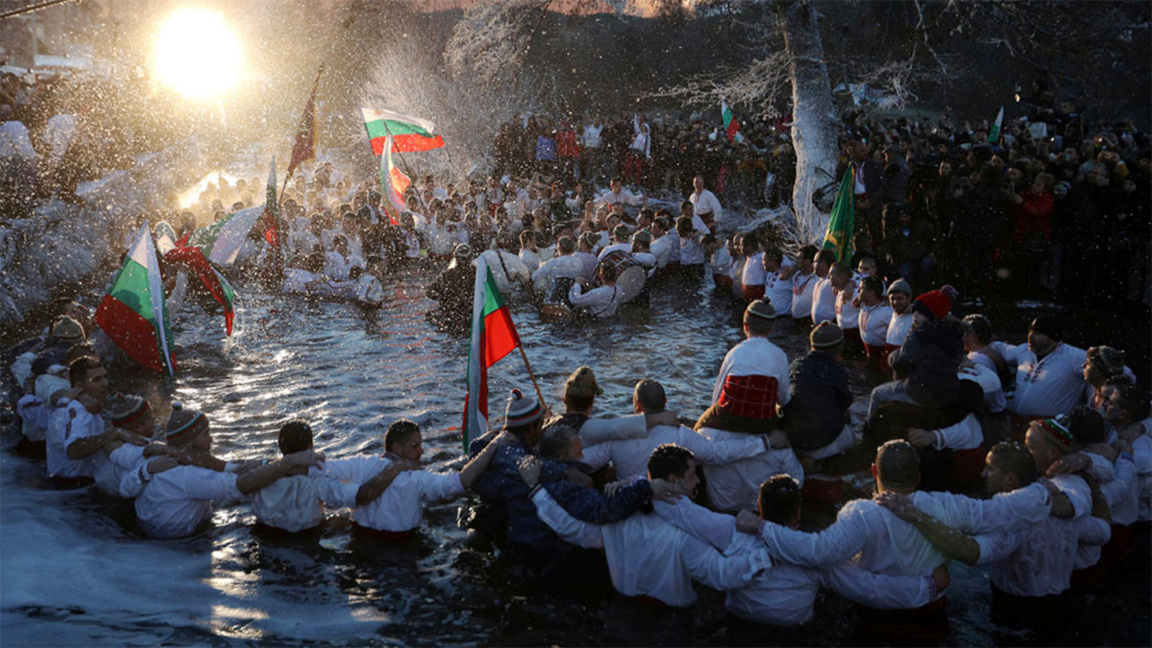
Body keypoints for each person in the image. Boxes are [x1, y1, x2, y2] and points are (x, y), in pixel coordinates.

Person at [736, 440, 1060, 643]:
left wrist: (763, 528)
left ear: (874, 471)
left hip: (873, 624)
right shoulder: (947, 505)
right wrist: (1046, 490)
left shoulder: (861, 513)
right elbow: (999, 511)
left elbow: (818, 552)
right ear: (918, 478)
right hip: (931, 623)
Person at [877, 442, 1111, 626]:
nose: (982, 474)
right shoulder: (1065, 513)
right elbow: (1103, 532)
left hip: (1016, 613)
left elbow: (972, 553)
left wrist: (915, 515)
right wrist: (1092, 485)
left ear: (1010, 480)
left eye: (990, 469)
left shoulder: (1016, 525)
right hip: (1061, 605)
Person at [521, 444, 770, 607]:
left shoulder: (617, 518)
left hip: (624, 608)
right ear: (672, 480)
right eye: (693, 474)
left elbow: (572, 530)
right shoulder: (683, 539)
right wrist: (764, 554)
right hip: (671, 620)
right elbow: (721, 575)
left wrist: (536, 489)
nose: (697, 481)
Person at [726, 475, 948, 629]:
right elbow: (870, 589)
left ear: (758, 505)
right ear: (798, 512)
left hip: (739, 624)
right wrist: (928, 587)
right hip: (793, 632)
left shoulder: (732, 538)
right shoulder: (817, 557)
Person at [316, 419, 515, 537]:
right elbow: (460, 481)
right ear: (396, 448)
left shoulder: (361, 464)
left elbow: (319, 469)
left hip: (361, 544)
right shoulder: (416, 480)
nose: (421, 451)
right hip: (402, 551)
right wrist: (493, 446)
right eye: (415, 446)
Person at [696, 299, 801, 512]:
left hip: (727, 419)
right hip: (762, 422)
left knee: (699, 428)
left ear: (745, 326)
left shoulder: (734, 352)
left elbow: (716, 400)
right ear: (771, 328)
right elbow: (782, 399)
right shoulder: (779, 355)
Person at [581, 379, 774, 480]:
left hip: (629, 505)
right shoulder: (680, 434)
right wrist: (764, 442)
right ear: (665, 402)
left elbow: (585, 462)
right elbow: (716, 454)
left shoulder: (618, 435)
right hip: (668, 505)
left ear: (637, 405)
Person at [989, 315, 1089, 436]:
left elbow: (1102, 364)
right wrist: (985, 344)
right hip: (1018, 425)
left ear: (1052, 337)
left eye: (1036, 333)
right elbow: (1000, 348)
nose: (1030, 336)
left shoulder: (1074, 357)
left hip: (1052, 430)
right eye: (1030, 331)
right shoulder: (1024, 351)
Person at [870, 289, 964, 418]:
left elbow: (902, 363)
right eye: (914, 312)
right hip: (948, 393)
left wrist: (893, 356)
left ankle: (870, 430)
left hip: (922, 393)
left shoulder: (919, 336)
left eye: (920, 313)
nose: (914, 316)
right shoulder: (955, 334)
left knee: (877, 394)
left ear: (931, 315)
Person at [781, 323, 856, 461]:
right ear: (839, 348)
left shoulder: (796, 364)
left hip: (794, 439)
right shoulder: (836, 370)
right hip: (825, 441)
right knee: (849, 426)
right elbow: (845, 402)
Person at [45, 357, 114, 483]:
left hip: (67, 486)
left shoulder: (77, 404)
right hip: (74, 488)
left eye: (105, 377)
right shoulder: (79, 410)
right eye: (97, 380)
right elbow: (74, 449)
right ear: (79, 386)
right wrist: (114, 434)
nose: (106, 383)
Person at [427, 244, 476, 332]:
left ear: (455, 257)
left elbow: (430, 293)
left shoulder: (446, 275)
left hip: (450, 317)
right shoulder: (477, 274)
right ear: (471, 258)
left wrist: (441, 295)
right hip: (471, 317)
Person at [858, 276, 893, 371]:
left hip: (880, 357)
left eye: (861, 289)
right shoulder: (864, 306)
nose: (858, 292)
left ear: (871, 292)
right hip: (868, 354)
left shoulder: (886, 312)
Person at [883, 278, 914, 362]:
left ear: (909, 298)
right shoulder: (891, 312)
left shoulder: (915, 317)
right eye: (892, 298)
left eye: (899, 298)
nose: (895, 302)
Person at [760, 247, 795, 316]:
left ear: (772, 262)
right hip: (769, 316)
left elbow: (794, 263)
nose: (762, 262)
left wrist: (787, 267)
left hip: (783, 317)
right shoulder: (769, 273)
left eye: (764, 260)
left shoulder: (787, 276)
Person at [790, 245, 819, 322]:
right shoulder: (797, 275)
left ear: (808, 261)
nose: (797, 261)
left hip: (807, 320)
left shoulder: (816, 279)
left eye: (799, 258)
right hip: (794, 319)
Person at [810, 249, 838, 324]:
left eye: (815, 261)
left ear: (823, 264)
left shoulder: (833, 282)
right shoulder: (818, 282)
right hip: (818, 327)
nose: (812, 264)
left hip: (830, 327)